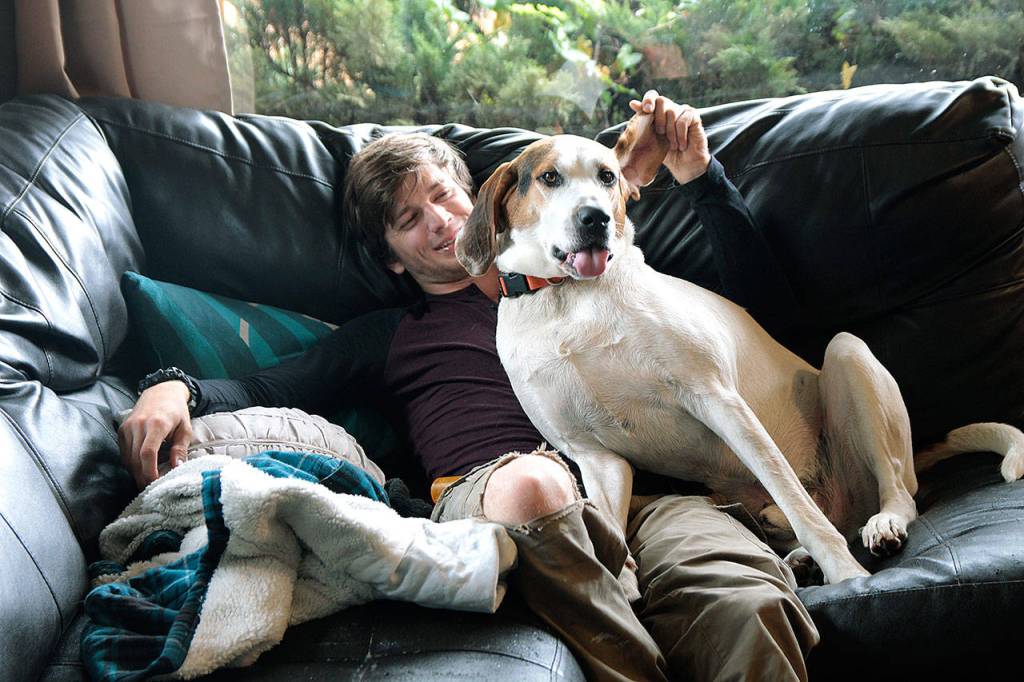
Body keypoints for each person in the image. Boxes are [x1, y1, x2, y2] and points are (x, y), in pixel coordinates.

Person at [119, 91, 819, 682]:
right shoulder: (394, 333)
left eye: (443, 195)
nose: (439, 221)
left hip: (643, 494)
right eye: (408, 220)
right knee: (535, 484)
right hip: (495, 494)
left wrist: (702, 179)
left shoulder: (598, 272)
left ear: (487, 198)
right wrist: (173, 389)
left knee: (745, 604)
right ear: (393, 259)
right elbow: (264, 384)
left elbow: (768, 335)